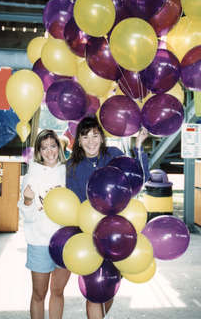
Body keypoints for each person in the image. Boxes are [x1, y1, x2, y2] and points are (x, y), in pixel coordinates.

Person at [66, 116, 149, 319]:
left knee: (109, 286)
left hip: (117, 232)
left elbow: (140, 178)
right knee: (94, 292)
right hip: (90, 236)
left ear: (102, 138)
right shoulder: (73, 166)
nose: (91, 141)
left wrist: (138, 147)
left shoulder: (113, 155)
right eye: (85, 137)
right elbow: (75, 204)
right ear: (78, 141)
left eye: (95, 135)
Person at [18, 129, 71, 319]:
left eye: (53, 146)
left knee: (58, 292)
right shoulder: (32, 175)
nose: (50, 152)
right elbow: (28, 216)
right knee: (39, 294)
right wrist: (27, 201)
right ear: (39, 151)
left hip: (65, 242)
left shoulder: (67, 172)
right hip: (39, 242)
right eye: (44, 147)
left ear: (59, 147)